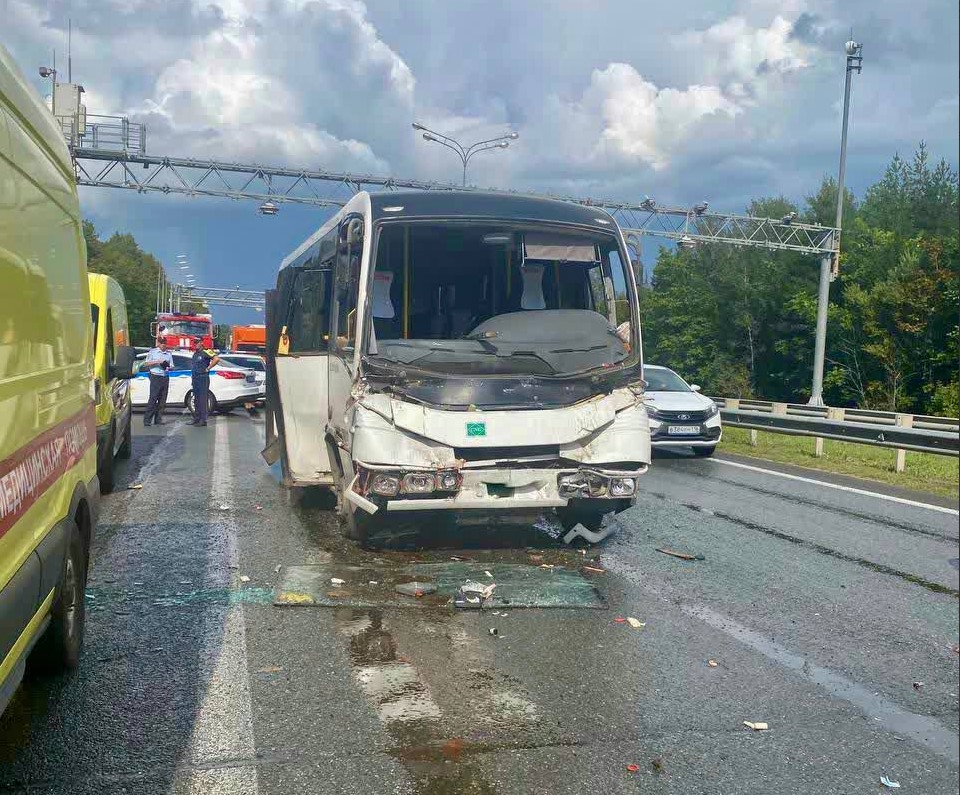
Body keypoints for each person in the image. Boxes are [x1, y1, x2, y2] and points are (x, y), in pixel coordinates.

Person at [189, 339, 220, 426]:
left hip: (203, 377)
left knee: (203, 399)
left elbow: (216, 359)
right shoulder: (195, 353)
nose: (195, 344)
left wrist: (208, 368)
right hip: (195, 378)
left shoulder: (206, 351)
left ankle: (203, 420)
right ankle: (196, 418)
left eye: (197, 342)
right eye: (194, 343)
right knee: (196, 399)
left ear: (201, 343)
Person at [143, 340, 174, 426]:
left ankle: (158, 419)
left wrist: (169, 368)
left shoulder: (168, 353)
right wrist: (157, 361)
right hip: (155, 376)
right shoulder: (153, 352)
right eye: (162, 343)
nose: (163, 345)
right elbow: (146, 363)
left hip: (165, 376)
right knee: (153, 398)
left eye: (165, 343)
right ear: (159, 344)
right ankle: (147, 420)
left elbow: (172, 366)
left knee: (162, 399)